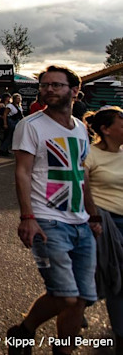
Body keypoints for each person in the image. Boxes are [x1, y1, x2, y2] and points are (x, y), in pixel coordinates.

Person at [8, 66, 101, 355]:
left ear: (74, 91)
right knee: (66, 296)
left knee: (83, 298)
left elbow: (82, 174)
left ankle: (55, 348)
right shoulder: (31, 125)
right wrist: (27, 217)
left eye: (57, 85)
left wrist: (93, 214)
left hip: (81, 223)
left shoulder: (81, 128)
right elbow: (22, 173)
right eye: (45, 85)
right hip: (47, 220)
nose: (48, 90)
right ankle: (24, 331)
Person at [82, 106, 123, 349]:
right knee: (105, 279)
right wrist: (94, 217)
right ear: (106, 130)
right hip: (104, 226)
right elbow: (81, 190)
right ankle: (73, 307)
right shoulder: (89, 155)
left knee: (118, 282)